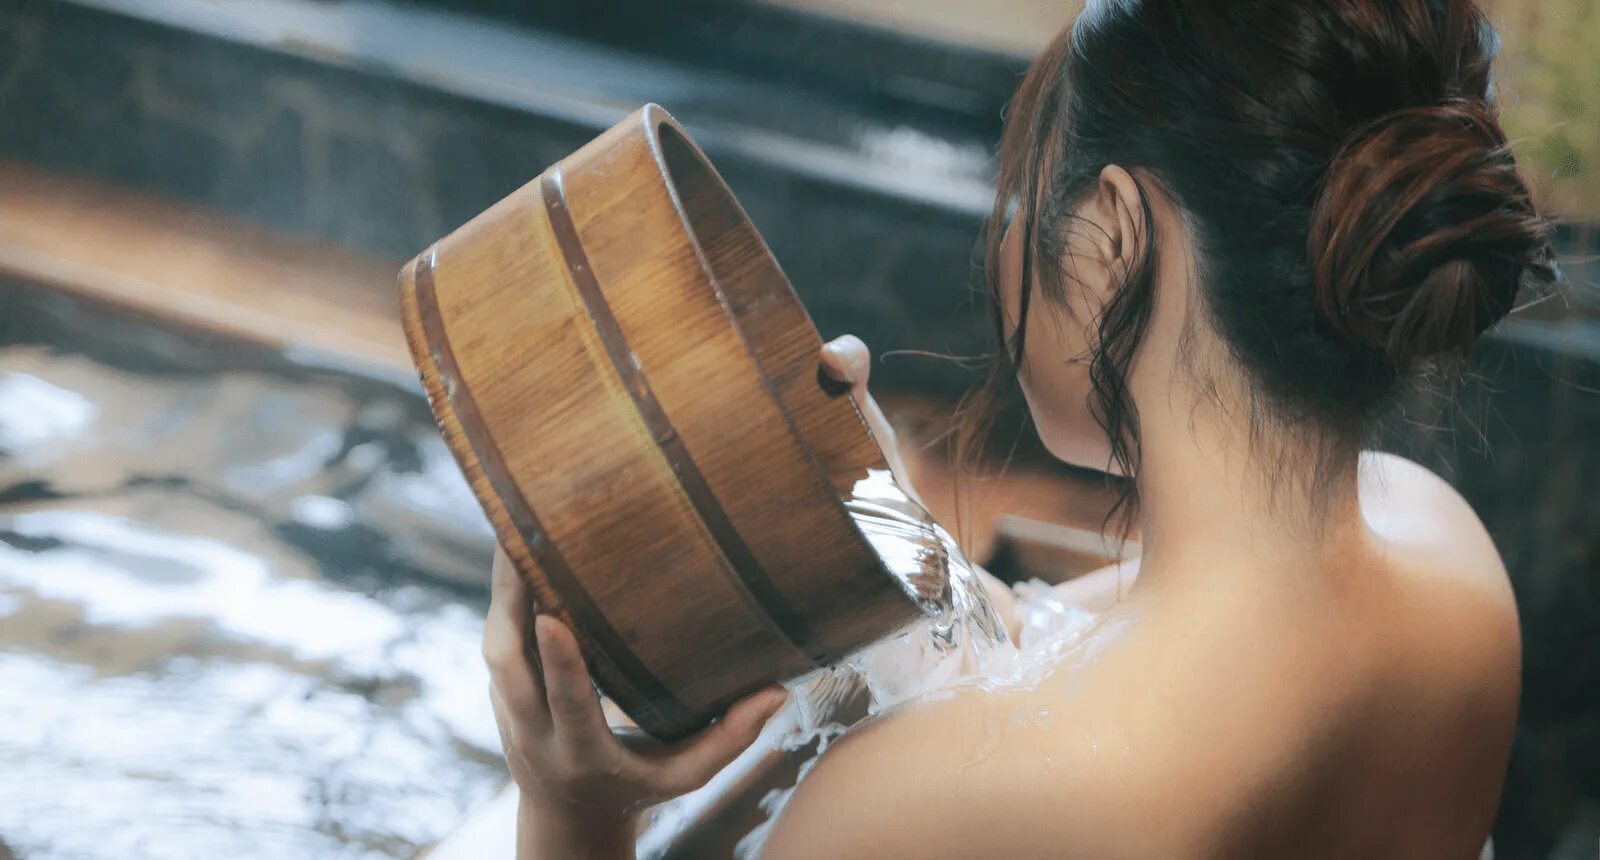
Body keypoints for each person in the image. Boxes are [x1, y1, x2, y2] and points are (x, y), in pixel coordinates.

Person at [482, 0, 1558, 855]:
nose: (1009, 234)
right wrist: (872, 505)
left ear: (1114, 234)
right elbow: (1031, 650)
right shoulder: (1444, 559)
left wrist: (574, 807)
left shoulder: (922, 807)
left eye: (1028, 194)